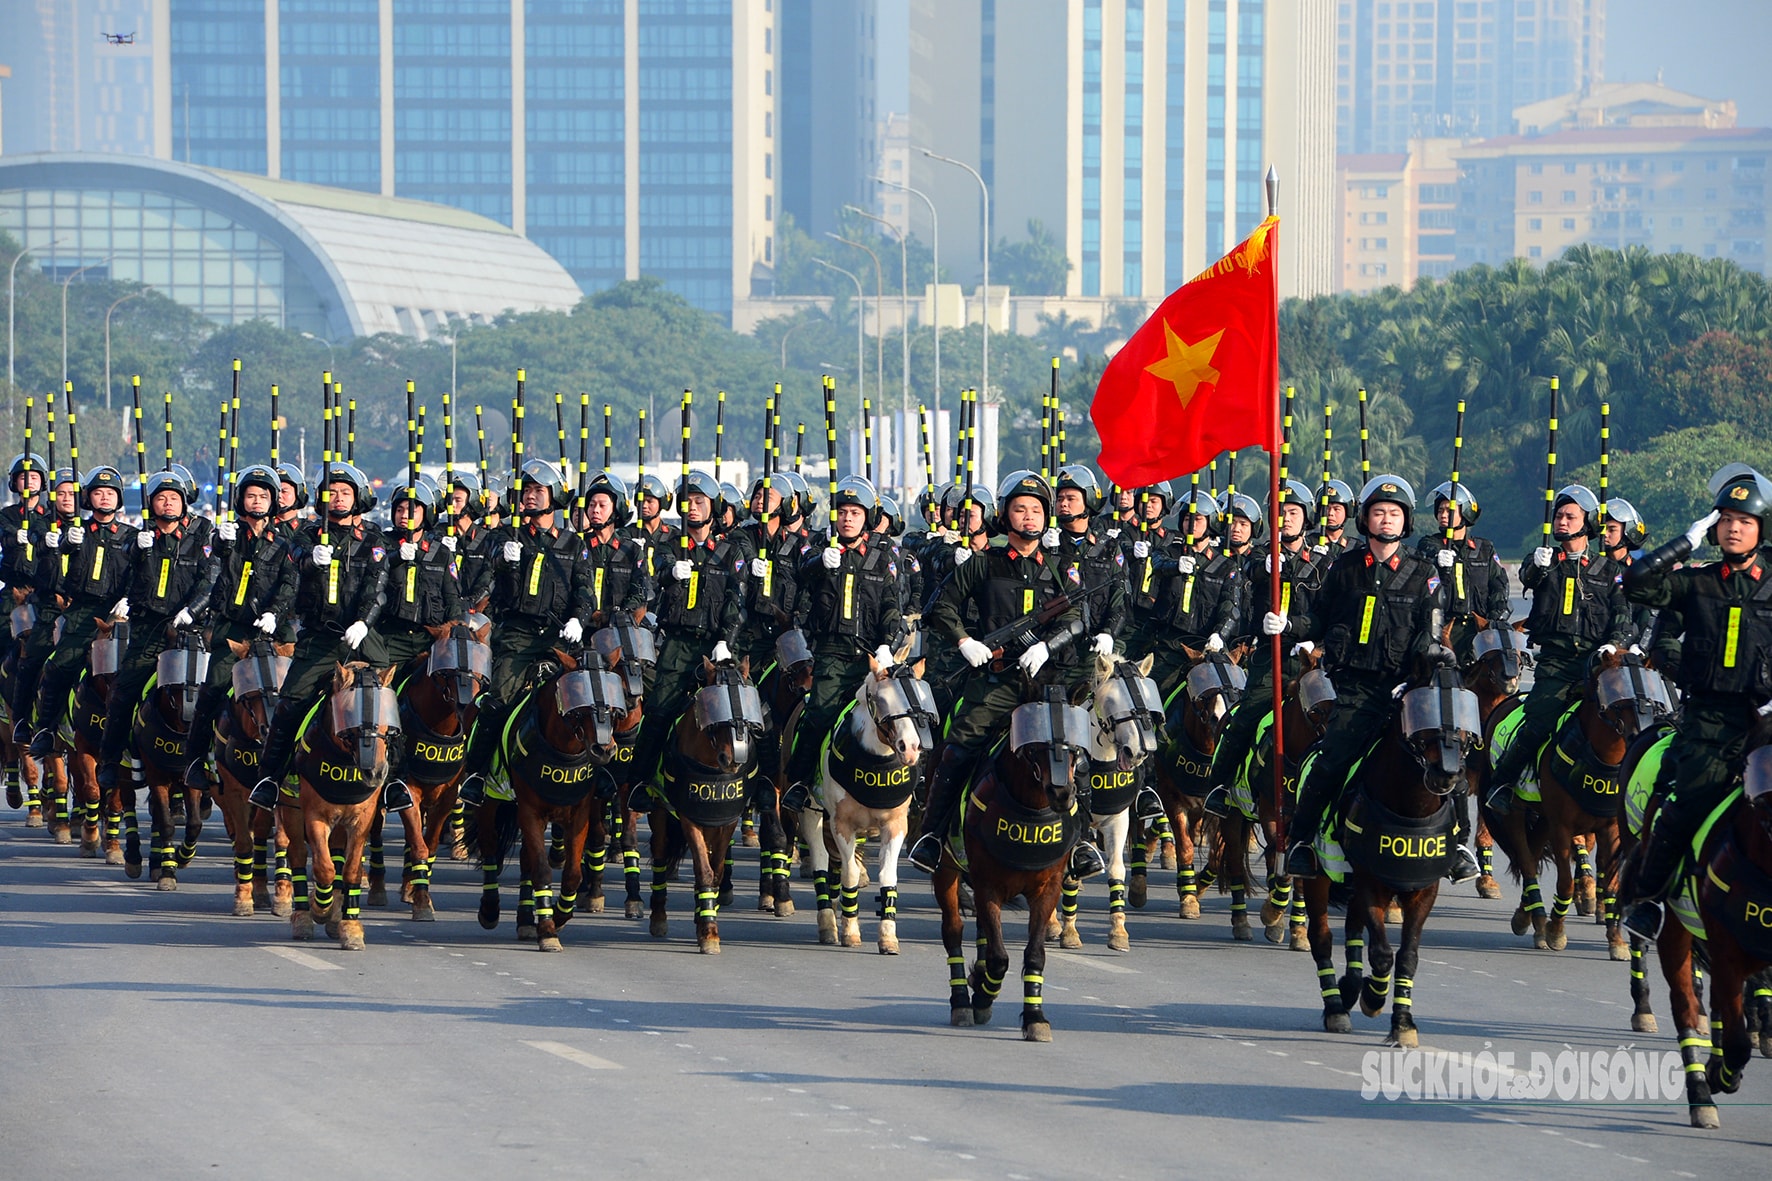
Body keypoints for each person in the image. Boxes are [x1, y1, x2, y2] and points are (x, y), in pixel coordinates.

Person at [1281, 476, 1475, 883]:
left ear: (1405, 522)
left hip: (1408, 690)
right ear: (1365, 519)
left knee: (1449, 756)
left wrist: (1418, 675)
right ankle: (1300, 841)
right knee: (1332, 759)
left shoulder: (1424, 572)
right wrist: (1288, 624)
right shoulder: (1344, 568)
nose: (1386, 520)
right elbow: (1319, 619)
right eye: (1378, 513)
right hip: (1356, 688)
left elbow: (1430, 630)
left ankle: (1459, 843)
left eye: (1394, 514)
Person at [908, 471, 1098, 879]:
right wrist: (965, 642)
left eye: (1036, 510)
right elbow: (940, 607)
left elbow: (1077, 619)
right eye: (1019, 509)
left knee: (1076, 752)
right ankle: (931, 834)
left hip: (1046, 683)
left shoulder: (1061, 567)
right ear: (1004, 515)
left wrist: (1047, 646)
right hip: (996, 681)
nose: (1029, 517)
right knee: (958, 748)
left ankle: (1083, 841)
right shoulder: (983, 563)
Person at [1618, 470, 1770, 939]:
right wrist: (1685, 543)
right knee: (1684, 804)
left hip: (1765, 722)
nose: (1733, 528)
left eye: (1745, 521)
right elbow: (1636, 583)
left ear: (1762, 530)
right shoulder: (1697, 583)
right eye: (1725, 519)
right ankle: (1648, 899)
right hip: (1709, 722)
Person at [247, 463, 392, 811]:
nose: (338, 498)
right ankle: (270, 777)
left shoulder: (373, 539)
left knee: (388, 705)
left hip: (361, 639)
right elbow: (296, 560)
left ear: (357, 498)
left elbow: (377, 587)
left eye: (345, 492)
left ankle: (395, 781)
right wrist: (312, 559)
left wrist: (363, 622)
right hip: (319, 640)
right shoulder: (307, 536)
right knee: (290, 703)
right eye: (332, 492)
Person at [1483, 485, 1633, 814]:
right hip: (1556, 664)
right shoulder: (1544, 561)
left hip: (1597, 664)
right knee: (1539, 721)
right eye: (1559, 516)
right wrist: (1538, 565)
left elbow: (1624, 614)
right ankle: (1503, 782)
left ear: (1588, 523)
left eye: (1570, 517)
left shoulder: (1610, 571)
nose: (1562, 522)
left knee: (1630, 719)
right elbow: (1528, 576)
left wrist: (1615, 643)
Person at [457, 460, 593, 805]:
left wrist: (578, 619)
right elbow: (486, 578)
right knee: (497, 702)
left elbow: (585, 591)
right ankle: (476, 773)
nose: (530, 496)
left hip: (559, 638)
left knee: (589, 704)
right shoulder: (505, 536)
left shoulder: (572, 544)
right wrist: (503, 559)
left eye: (538, 490)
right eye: (526, 490)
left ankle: (597, 779)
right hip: (517, 637)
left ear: (554, 495)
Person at [780, 476, 905, 808]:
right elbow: (799, 577)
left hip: (871, 656)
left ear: (867, 517)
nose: (848, 518)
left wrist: (887, 644)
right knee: (818, 715)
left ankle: (908, 786)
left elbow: (891, 605)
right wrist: (820, 563)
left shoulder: (882, 556)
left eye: (855, 513)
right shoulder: (820, 549)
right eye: (843, 512)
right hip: (832, 654)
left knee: (901, 715)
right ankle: (799, 782)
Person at [96, 469, 218, 791]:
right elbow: (124, 569)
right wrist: (137, 550)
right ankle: (111, 760)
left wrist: (192, 610)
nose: (168, 503)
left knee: (215, 693)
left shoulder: (202, 534)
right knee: (122, 692)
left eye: (174, 498)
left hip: (191, 628)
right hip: (150, 629)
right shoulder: (141, 537)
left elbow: (210, 579)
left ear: (184, 503)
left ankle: (206, 761)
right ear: (151, 504)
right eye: (161, 498)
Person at [180, 465, 298, 790]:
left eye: (263, 496)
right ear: (240, 500)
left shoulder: (285, 542)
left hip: (275, 631)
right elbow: (213, 569)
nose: (257, 501)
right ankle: (195, 760)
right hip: (233, 631)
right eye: (250, 495)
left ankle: (295, 762)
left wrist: (274, 612)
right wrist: (222, 544)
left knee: (296, 693)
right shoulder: (227, 537)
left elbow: (291, 583)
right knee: (212, 690)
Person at [627, 470, 745, 791]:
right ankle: (639, 784)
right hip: (678, 645)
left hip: (717, 647)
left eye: (699, 501)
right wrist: (671, 573)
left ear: (713, 506)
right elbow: (659, 573)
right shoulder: (670, 545)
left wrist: (726, 641)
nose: (692, 507)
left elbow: (736, 600)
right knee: (658, 712)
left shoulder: (730, 551)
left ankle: (757, 784)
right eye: (687, 501)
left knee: (746, 712)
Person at [27, 466, 137, 758]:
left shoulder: (133, 536)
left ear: (119, 498)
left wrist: (128, 597)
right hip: (83, 611)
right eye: (98, 493)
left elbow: (143, 573)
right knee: (58, 666)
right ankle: (46, 729)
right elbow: (54, 557)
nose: (105, 498)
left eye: (110, 493)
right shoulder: (76, 532)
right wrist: (65, 543)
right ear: (88, 498)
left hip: (120, 613)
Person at [1417, 481, 1510, 660]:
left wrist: (1492, 622)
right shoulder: (1431, 544)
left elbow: (1499, 585)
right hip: (1443, 629)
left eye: (1449, 510)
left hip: (1479, 630)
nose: (1443, 515)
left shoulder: (1484, 549)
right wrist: (1437, 558)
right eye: (1440, 510)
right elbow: (1426, 552)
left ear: (1465, 512)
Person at [578, 471, 652, 628]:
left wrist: (622, 614)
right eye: (591, 505)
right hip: (581, 628)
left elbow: (640, 591)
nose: (595, 510)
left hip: (620, 630)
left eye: (602, 505)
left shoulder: (631, 551)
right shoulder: (579, 546)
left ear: (616, 510)